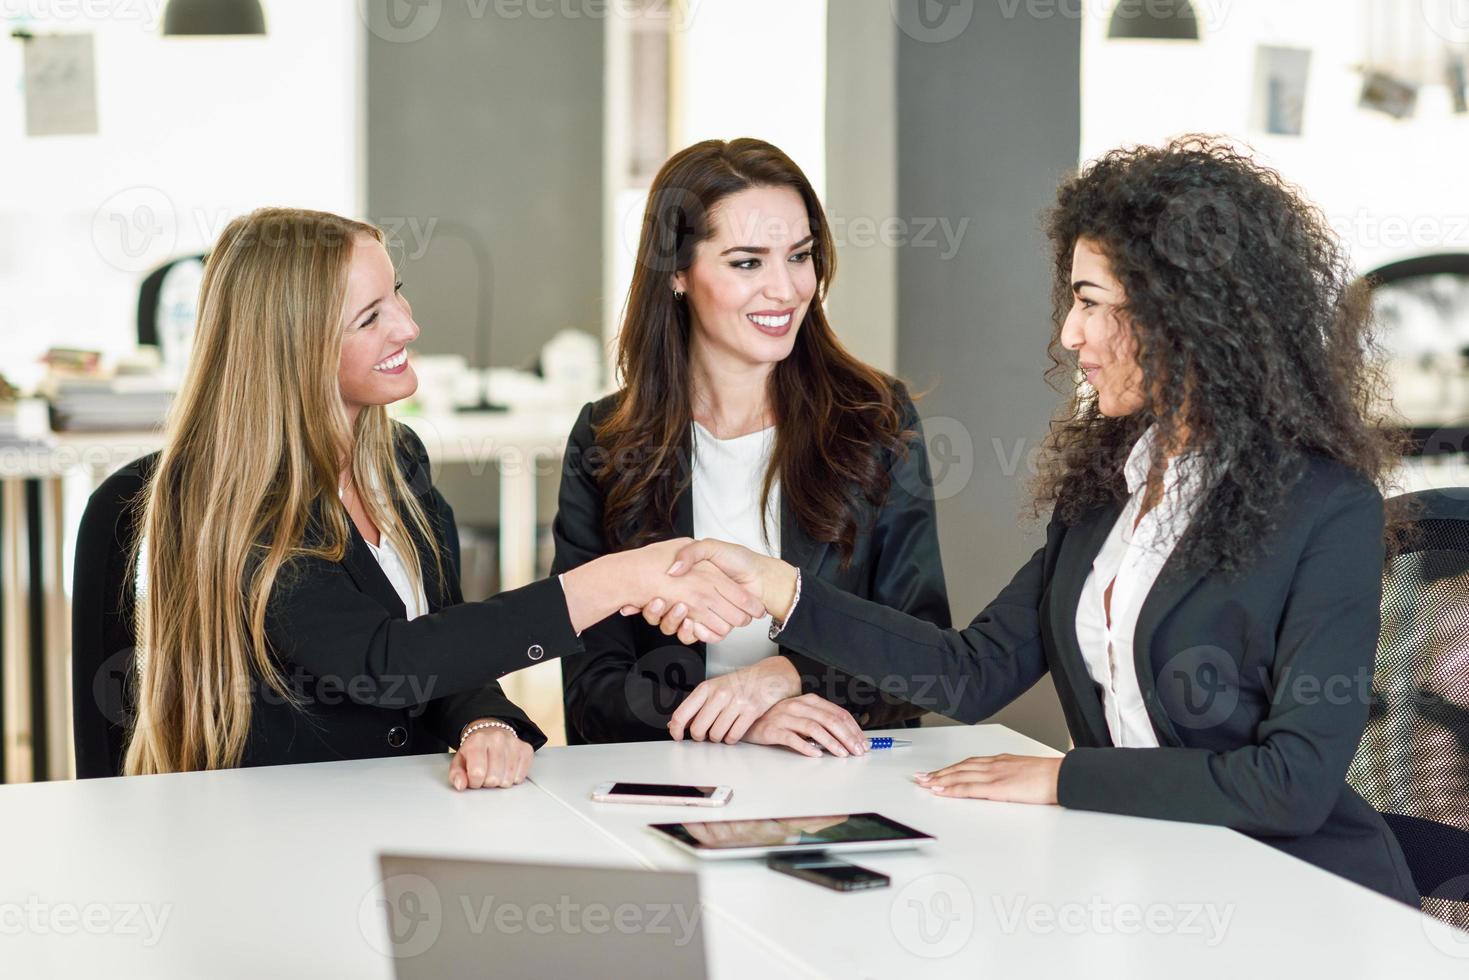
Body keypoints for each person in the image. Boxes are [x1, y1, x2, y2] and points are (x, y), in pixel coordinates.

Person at [652, 138, 1419, 905]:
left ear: (1182, 315)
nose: (1069, 336)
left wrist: (1061, 777)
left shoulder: (1326, 508)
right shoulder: (1108, 488)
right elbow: (968, 674)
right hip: (1144, 869)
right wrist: (785, 592)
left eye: (1089, 302)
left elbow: (1290, 785)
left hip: (1299, 894)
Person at [123, 208, 761, 789]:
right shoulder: (241, 503)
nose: (409, 325)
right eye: (370, 318)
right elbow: (385, 660)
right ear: (294, 351)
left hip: (408, 812)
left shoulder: (396, 461)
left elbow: (445, 643)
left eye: (396, 293)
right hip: (285, 828)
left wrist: (482, 721)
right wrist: (616, 581)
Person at [553, 139, 950, 754]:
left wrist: (786, 679)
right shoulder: (606, 441)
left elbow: (924, 655)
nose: (786, 289)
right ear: (678, 273)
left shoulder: (874, 420)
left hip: (839, 778)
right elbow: (590, 690)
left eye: (799, 256)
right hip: (675, 780)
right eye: (746, 263)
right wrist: (742, 721)